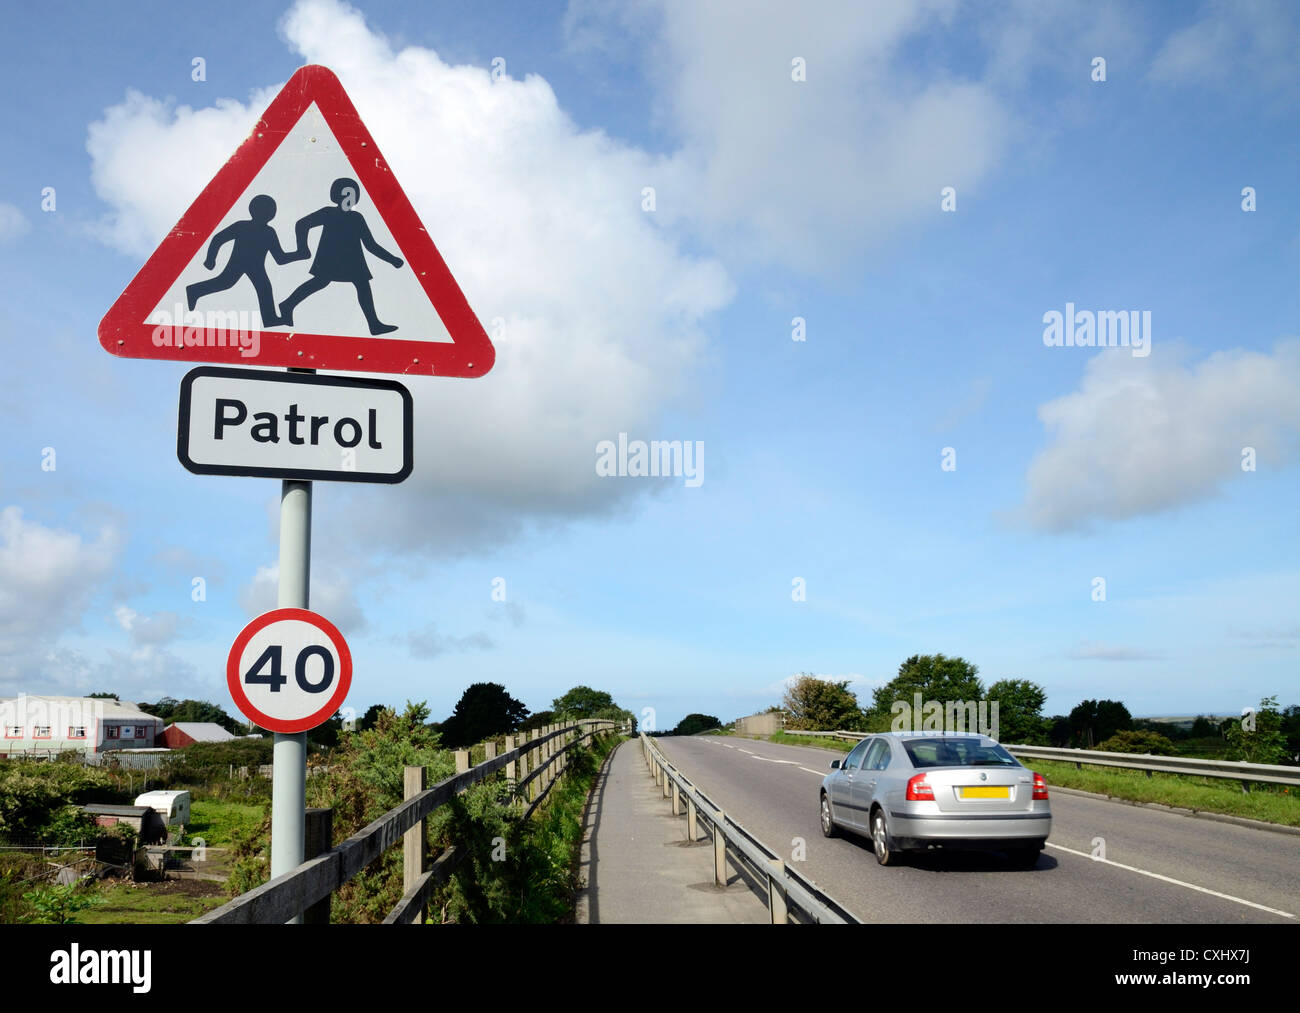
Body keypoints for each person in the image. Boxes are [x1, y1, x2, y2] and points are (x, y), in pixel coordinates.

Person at [278, 177, 404, 335]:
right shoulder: (328, 212)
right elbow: (302, 224)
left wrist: (392, 259)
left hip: (352, 260)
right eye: (346, 194)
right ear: (336, 196)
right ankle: (287, 305)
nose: (349, 198)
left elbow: (370, 244)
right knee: (325, 282)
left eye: (353, 195)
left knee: (358, 284)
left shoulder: (357, 217)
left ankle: (374, 324)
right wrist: (303, 248)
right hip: (330, 258)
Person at [186, 194, 303, 326]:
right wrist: (210, 259)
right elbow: (219, 238)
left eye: (271, 210)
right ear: (254, 210)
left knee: (262, 287)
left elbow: (280, 258)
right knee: (226, 283)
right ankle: (194, 290)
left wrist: (298, 255)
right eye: (267, 210)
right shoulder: (241, 226)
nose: (269, 213)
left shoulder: (269, 232)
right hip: (239, 262)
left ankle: (270, 318)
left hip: (256, 266)